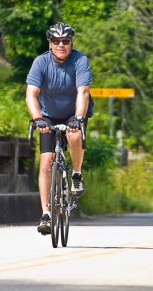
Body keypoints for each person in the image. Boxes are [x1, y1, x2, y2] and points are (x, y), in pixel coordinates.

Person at [25, 22, 93, 235]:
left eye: (65, 41)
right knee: (46, 162)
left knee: (73, 134)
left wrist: (79, 118)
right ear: (50, 43)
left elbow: (83, 92)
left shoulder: (80, 61)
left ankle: (76, 174)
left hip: (74, 112)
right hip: (48, 115)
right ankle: (46, 214)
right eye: (56, 41)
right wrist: (37, 119)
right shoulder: (41, 62)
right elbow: (31, 94)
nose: (61, 45)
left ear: (71, 42)